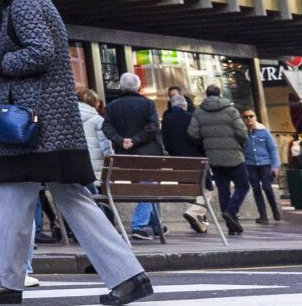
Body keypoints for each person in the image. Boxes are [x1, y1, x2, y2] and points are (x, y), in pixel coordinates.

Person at [0, 0, 152, 306]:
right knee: (50, 195)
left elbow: (41, 52)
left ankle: (4, 281)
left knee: (23, 193)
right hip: (49, 126)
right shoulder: (33, 3)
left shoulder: (26, 3)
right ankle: (126, 276)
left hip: (36, 127)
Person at [103, 74, 163, 241]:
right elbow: (153, 127)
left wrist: (121, 141)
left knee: (149, 187)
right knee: (150, 187)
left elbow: (106, 127)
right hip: (147, 154)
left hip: (124, 156)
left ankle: (156, 224)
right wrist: (136, 140)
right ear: (139, 86)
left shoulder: (112, 106)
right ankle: (139, 225)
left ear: (121, 87)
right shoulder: (147, 104)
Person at [189, 83, 250, 235]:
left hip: (213, 157)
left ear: (207, 94)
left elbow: (193, 133)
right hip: (234, 155)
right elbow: (242, 132)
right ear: (220, 93)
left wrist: (206, 144)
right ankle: (231, 211)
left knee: (223, 189)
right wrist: (240, 145)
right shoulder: (231, 110)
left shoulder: (199, 112)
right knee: (243, 184)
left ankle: (231, 223)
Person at [161, 87, 212, 235]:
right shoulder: (192, 117)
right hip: (196, 160)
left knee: (190, 191)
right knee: (206, 190)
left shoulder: (166, 119)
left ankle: (200, 223)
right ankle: (194, 212)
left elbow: (166, 143)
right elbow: (198, 138)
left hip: (178, 162)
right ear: (184, 105)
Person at [243, 109, 281, 225]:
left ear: (255, 117)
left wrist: (275, 166)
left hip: (265, 164)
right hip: (250, 165)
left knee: (267, 187)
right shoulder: (243, 133)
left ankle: (275, 210)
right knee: (256, 189)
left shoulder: (264, 132)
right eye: (246, 117)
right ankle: (263, 215)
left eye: (251, 116)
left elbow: (272, 149)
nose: (249, 119)